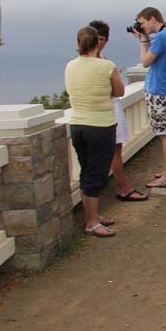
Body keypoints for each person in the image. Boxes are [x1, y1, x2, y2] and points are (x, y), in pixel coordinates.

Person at [65, 26, 124, 237]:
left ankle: (93, 215)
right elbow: (119, 91)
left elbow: (70, 91)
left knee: (86, 170)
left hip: (78, 125)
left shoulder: (70, 66)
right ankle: (91, 222)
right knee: (96, 174)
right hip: (100, 126)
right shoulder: (107, 66)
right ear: (97, 42)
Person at [89, 20, 149, 202]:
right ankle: (123, 188)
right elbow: (118, 90)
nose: (101, 42)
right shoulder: (99, 62)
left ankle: (120, 187)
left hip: (102, 110)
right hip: (106, 110)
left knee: (113, 151)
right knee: (113, 152)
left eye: (103, 39)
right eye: (98, 39)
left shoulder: (98, 59)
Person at [132, 7, 166, 189]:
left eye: (143, 22)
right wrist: (145, 37)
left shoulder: (161, 37)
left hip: (158, 90)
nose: (142, 26)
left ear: (152, 19)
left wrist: (143, 41)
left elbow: (145, 61)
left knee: (165, 134)